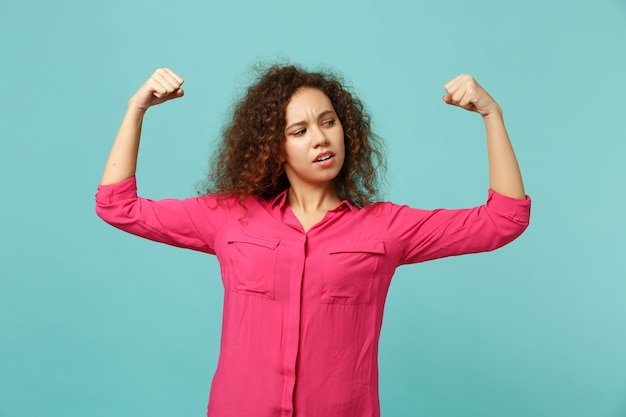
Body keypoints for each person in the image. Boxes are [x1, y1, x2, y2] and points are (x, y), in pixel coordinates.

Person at [95, 65, 530, 417]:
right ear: (274, 147)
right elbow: (118, 206)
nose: (320, 138)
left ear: (346, 129)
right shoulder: (230, 218)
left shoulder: (386, 228)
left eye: (328, 122)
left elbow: (503, 219)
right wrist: (136, 110)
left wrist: (492, 115)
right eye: (299, 131)